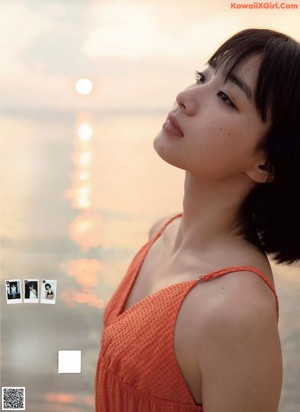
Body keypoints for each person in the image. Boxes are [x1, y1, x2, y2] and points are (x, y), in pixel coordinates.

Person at [95, 28, 300, 412]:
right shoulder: (162, 232)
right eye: (202, 79)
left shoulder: (238, 312)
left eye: (225, 97)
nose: (186, 98)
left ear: (266, 162)